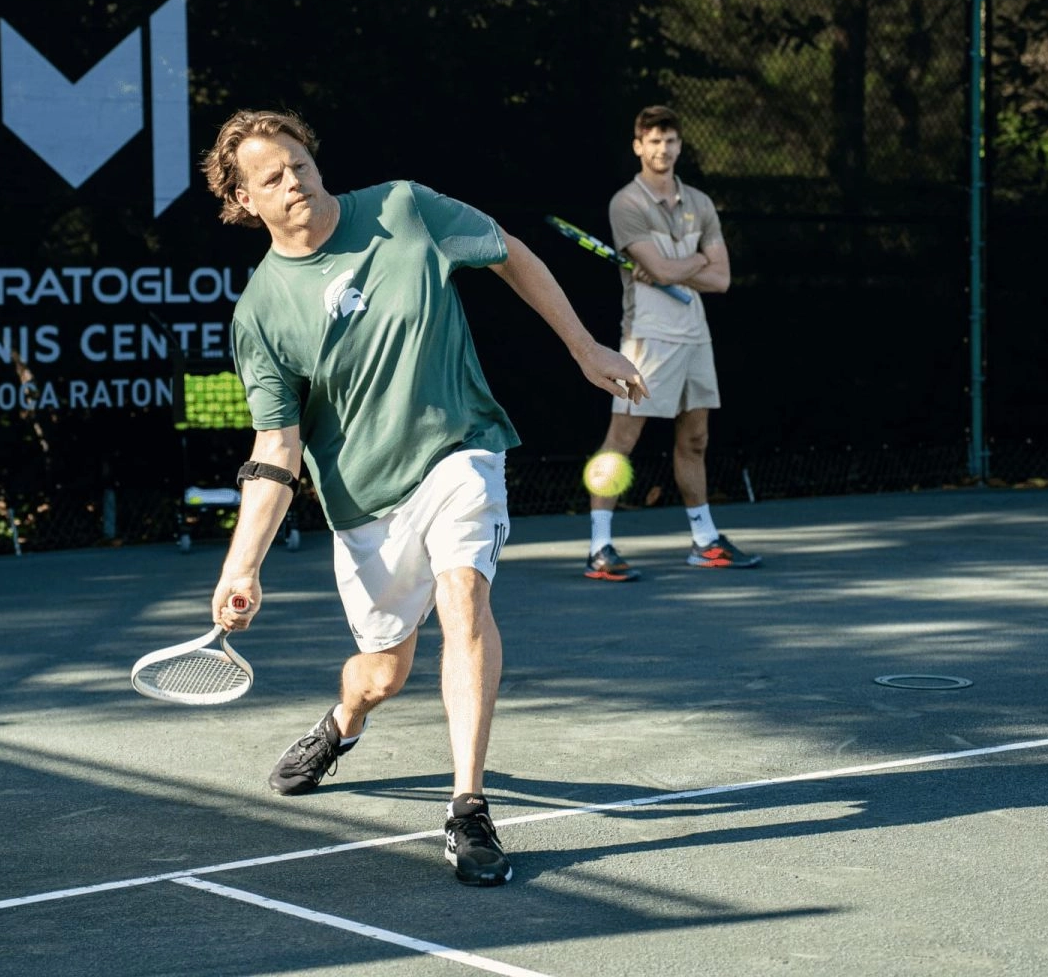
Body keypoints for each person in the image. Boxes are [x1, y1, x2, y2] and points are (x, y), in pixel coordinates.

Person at [198, 108, 645, 888]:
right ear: (244, 201)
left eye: (299, 162)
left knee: (465, 597)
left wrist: (584, 346)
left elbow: (511, 254)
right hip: (365, 500)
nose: (293, 180)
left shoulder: (402, 208)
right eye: (270, 177)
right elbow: (277, 450)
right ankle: (344, 722)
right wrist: (243, 566)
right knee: (382, 673)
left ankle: (467, 805)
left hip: (459, 447)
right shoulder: (261, 313)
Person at [581, 104, 760, 582]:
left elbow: (722, 279)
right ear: (639, 146)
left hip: (695, 336)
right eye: (654, 140)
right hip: (647, 337)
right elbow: (663, 272)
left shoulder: (699, 202)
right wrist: (693, 262)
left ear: (680, 146)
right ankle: (599, 546)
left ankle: (705, 542)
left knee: (696, 439)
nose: (663, 148)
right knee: (622, 439)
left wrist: (679, 266)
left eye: (671, 140)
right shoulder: (627, 203)